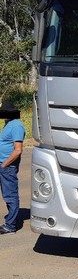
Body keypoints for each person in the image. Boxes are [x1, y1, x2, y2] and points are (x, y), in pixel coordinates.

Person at [0, 100, 26, 235]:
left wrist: (4, 165)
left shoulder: (16, 126)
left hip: (7, 167)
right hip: (3, 165)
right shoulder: (8, 124)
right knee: (6, 194)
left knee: (10, 195)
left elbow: (18, 150)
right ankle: (10, 222)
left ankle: (10, 226)